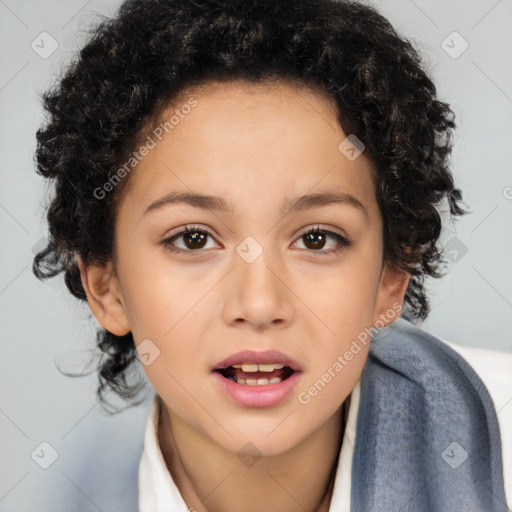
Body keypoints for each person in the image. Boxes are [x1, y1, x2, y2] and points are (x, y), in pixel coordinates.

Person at [32, 0, 512, 511]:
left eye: (317, 239)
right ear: (107, 286)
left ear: (391, 278)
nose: (259, 304)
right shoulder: (81, 489)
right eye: (193, 239)